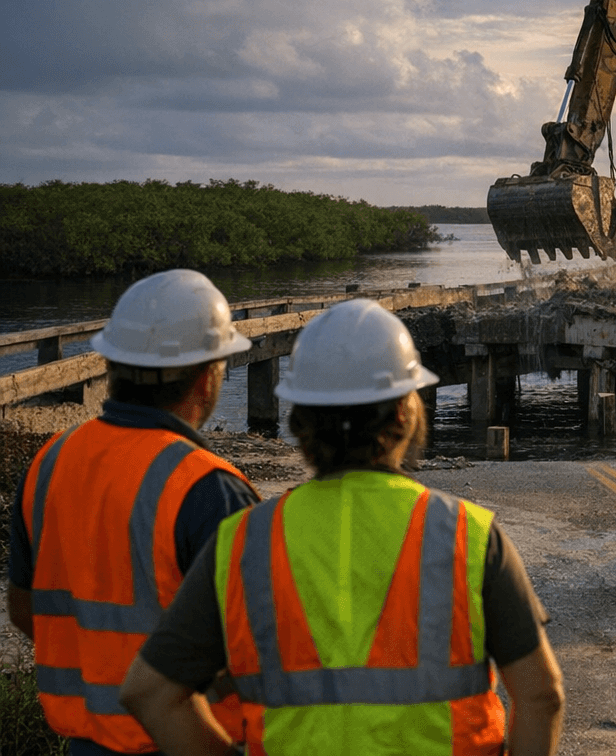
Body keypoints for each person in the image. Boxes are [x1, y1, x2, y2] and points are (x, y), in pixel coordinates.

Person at [120, 298, 565, 756]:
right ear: (404, 413)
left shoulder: (242, 543)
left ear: (299, 420)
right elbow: (541, 696)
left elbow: (150, 694)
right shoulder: (469, 537)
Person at [8, 269, 260, 756]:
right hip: (190, 741)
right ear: (208, 378)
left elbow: (25, 608)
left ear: (112, 364)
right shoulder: (210, 489)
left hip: (82, 740)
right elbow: (254, 650)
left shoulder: (50, 462)